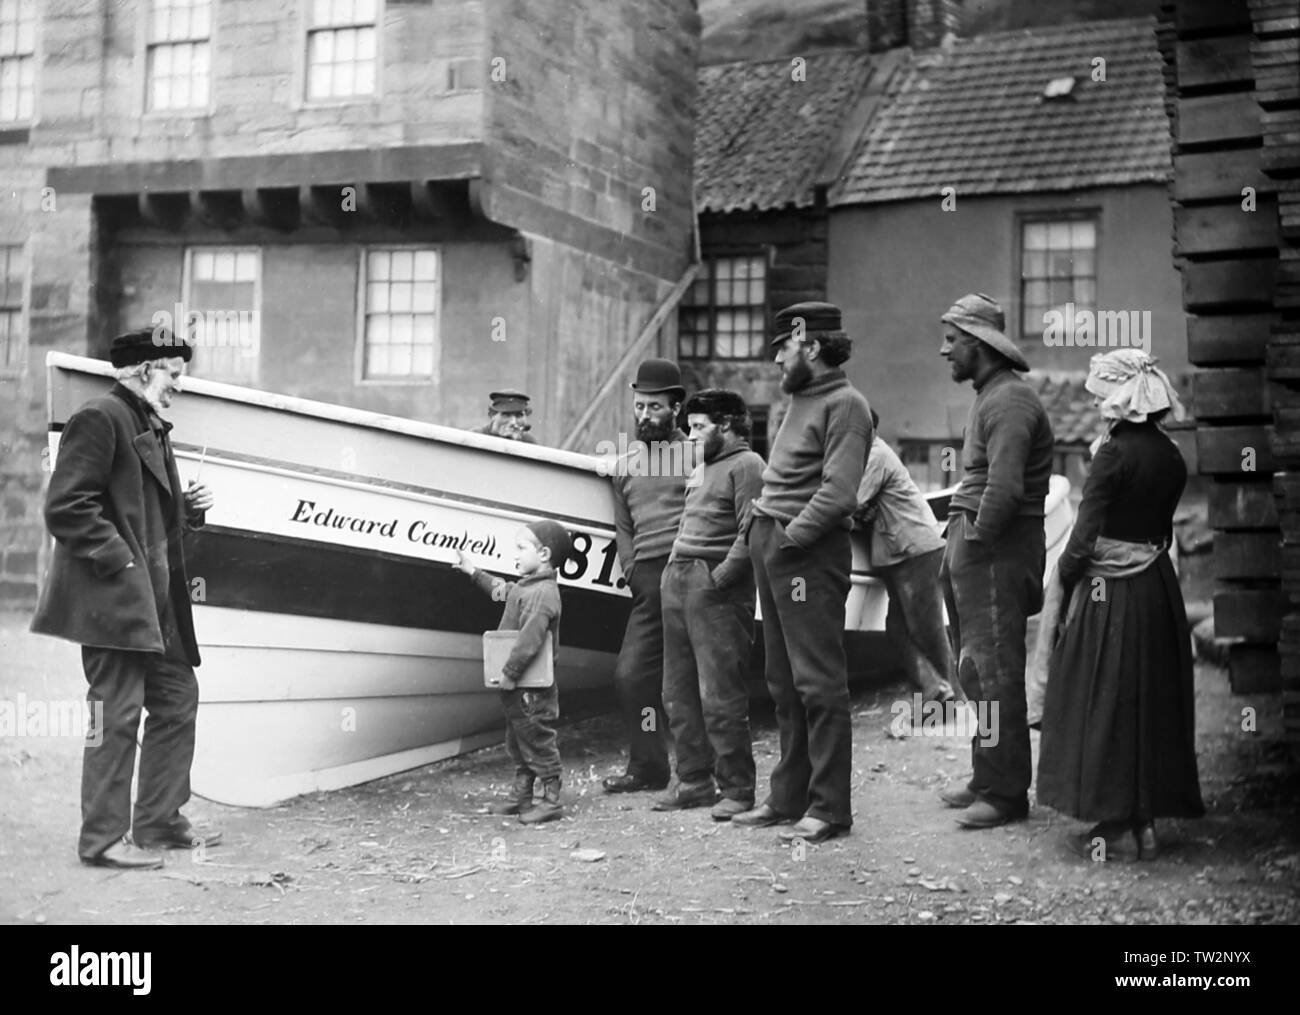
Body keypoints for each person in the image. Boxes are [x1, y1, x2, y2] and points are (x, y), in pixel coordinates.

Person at [30, 328, 220, 869]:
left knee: (177, 697)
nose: (178, 387)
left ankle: (158, 821)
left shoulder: (149, 423)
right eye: (173, 376)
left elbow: (142, 510)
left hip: (154, 606)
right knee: (115, 714)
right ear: (142, 372)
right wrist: (122, 561)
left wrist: (189, 507)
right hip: (116, 601)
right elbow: (66, 507)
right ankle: (102, 841)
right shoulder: (101, 417)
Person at [1036, 350, 1203, 861]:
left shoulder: (1112, 454)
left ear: (1120, 397)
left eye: (1101, 396)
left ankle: (1113, 822)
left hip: (1110, 594)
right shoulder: (1171, 455)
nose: (1097, 405)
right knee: (1148, 698)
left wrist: (1062, 581)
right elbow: (1162, 530)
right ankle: (1146, 823)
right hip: (1156, 588)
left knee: (1105, 699)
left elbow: (1083, 539)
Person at [733, 302, 873, 844]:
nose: (776, 361)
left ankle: (831, 807)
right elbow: (786, 477)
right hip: (775, 543)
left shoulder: (847, 405)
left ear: (811, 347)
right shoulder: (797, 399)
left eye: (783, 349)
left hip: (806, 553)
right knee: (782, 682)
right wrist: (762, 521)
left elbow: (840, 494)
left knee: (818, 682)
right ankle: (787, 798)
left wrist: (790, 539)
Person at [936, 293, 1054, 829]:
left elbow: (1004, 489)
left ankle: (1006, 794)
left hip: (995, 551)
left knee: (996, 671)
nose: (945, 351)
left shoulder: (1010, 402)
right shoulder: (990, 395)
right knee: (974, 669)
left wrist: (976, 540)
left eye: (952, 340)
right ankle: (987, 776)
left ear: (979, 344)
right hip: (976, 547)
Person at [654, 389, 764, 819]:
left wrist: (720, 577)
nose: (690, 434)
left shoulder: (748, 465)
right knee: (676, 693)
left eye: (699, 427)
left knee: (719, 695)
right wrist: (672, 570)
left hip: (714, 586)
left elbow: (752, 529)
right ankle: (694, 782)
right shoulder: (702, 467)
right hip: (677, 578)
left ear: (729, 426)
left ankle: (738, 788)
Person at [602, 359, 690, 794]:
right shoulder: (622, 465)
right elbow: (624, 526)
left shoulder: (696, 455)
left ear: (676, 407)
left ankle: (705, 776)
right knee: (632, 675)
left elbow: (709, 514)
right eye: (639, 407)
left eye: (655, 407)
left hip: (691, 575)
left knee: (692, 676)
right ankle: (648, 767)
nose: (644, 416)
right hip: (647, 580)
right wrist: (633, 569)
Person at [455, 519, 573, 824]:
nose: (516, 555)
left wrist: (508, 673)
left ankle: (552, 800)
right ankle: (522, 795)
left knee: (537, 738)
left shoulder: (543, 594)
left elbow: (529, 640)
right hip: (518, 687)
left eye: (522, 549)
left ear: (544, 553)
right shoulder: (525, 587)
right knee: (518, 740)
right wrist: (474, 573)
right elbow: (502, 591)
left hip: (530, 688)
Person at [854, 408, 956, 706]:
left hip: (914, 551)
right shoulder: (869, 456)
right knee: (899, 630)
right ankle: (937, 690)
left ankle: (951, 701)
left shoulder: (875, 456)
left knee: (927, 631)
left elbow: (850, 504)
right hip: (906, 552)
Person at [470, 389, 539, 444]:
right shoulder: (475, 438)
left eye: (519, 415)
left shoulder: (529, 443)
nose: (513, 422)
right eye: (506, 415)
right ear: (492, 415)